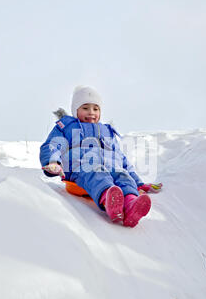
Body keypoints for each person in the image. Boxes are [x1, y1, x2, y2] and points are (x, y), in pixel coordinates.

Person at [40, 86, 159, 227]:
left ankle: (131, 204)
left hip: (112, 167)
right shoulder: (66, 126)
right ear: (75, 110)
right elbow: (53, 144)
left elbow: (121, 158)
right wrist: (53, 161)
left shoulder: (107, 131)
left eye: (95, 109)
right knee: (97, 172)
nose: (91, 112)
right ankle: (110, 199)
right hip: (82, 168)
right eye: (85, 108)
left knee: (122, 175)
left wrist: (138, 182)